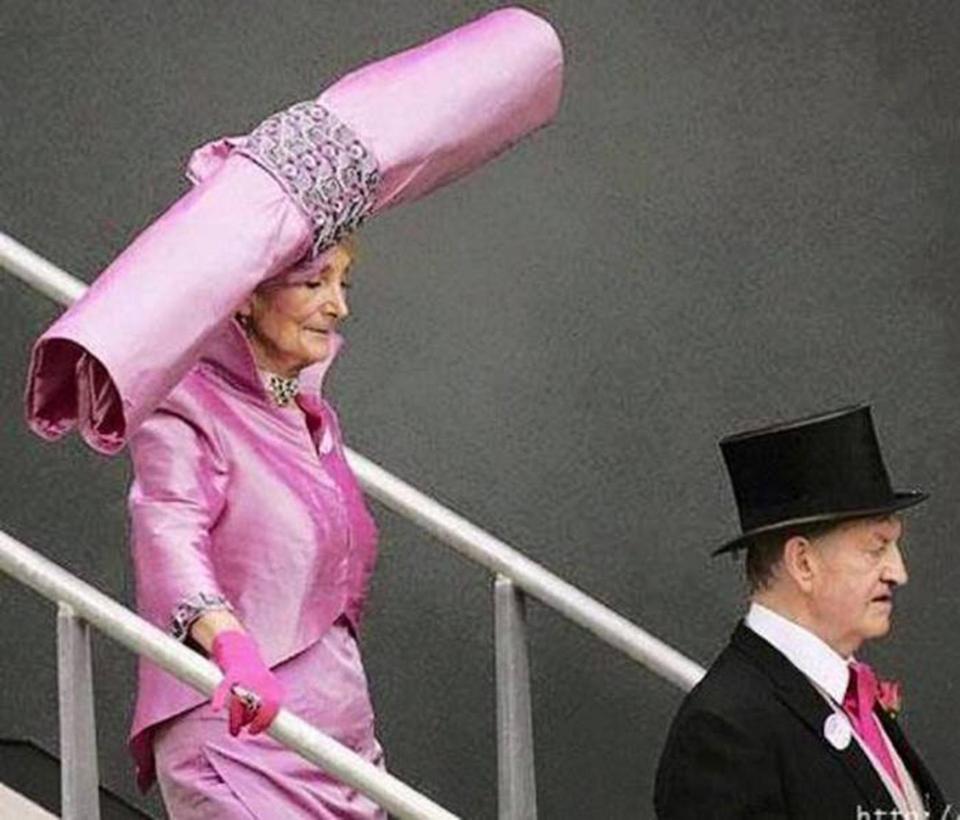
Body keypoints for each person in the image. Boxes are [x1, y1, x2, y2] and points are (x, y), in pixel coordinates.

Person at [23, 8, 564, 816]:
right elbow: (167, 530)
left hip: (338, 745)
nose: (338, 305)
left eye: (343, 281)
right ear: (245, 299)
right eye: (314, 284)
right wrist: (230, 647)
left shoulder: (306, 414)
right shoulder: (187, 406)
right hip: (235, 739)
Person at [654, 405, 949, 819]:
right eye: (876, 548)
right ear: (803, 563)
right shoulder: (724, 730)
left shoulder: (844, 695)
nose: (898, 572)